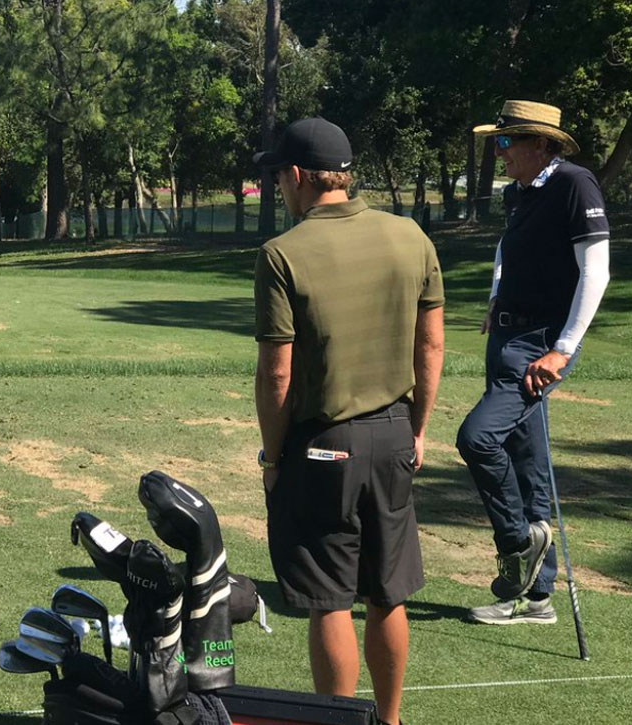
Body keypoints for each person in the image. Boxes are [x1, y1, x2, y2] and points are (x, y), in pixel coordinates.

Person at [253, 117, 444, 725]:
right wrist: (417, 429)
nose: (280, 186)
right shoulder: (410, 236)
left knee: (330, 598)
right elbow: (431, 347)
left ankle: (337, 722)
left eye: (280, 174)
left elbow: (277, 376)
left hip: (322, 445)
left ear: (301, 176)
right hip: (394, 433)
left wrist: (274, 455)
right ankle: (388, 722)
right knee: (388, 592)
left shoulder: (282, 253)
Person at [457, 100, 611, 625]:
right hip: (507, 335)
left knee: (477, 437)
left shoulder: (574, 183)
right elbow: (507, 248)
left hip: (540, 343)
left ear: (539, 144)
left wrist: (563, 349)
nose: (499, 153)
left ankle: (519, 543)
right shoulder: (520, 193)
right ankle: (536, 599)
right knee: (528, 460)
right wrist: (496, 295)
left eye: (506, 142)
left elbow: (596, 272)